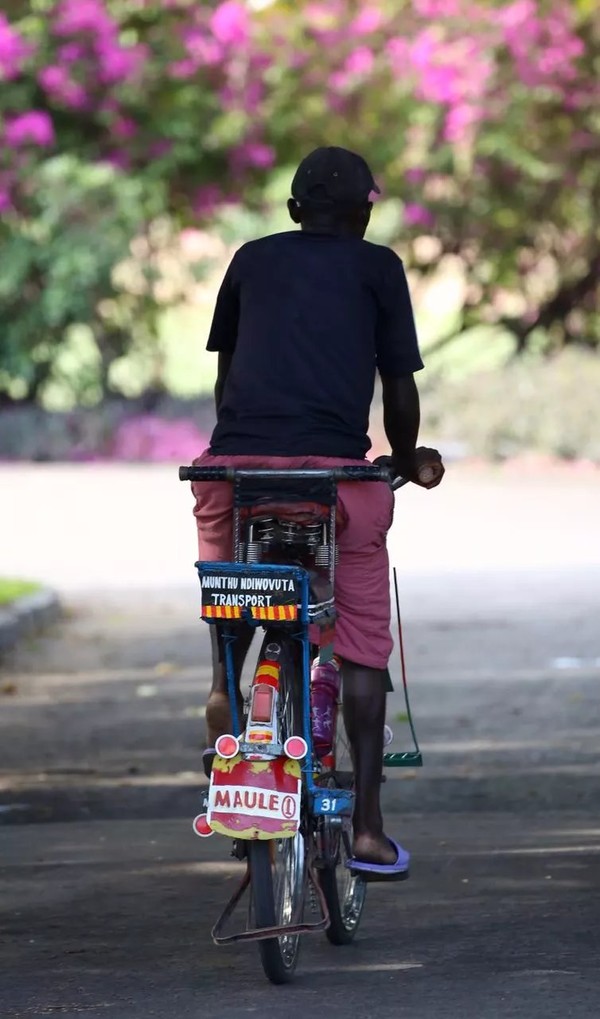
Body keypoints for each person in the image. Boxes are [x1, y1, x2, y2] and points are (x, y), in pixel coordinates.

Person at [191, 146, 444, 876]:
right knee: (362, 637)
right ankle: (367, 828)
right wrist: (406, 454)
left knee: (232, 576)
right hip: (332, 479)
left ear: (294, 210)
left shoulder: (250, 258)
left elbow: (227, 379)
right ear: (367, 210)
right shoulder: (378, 268)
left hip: (233, 468)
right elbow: (398, 385)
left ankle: (222, 679)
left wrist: (241, 447)